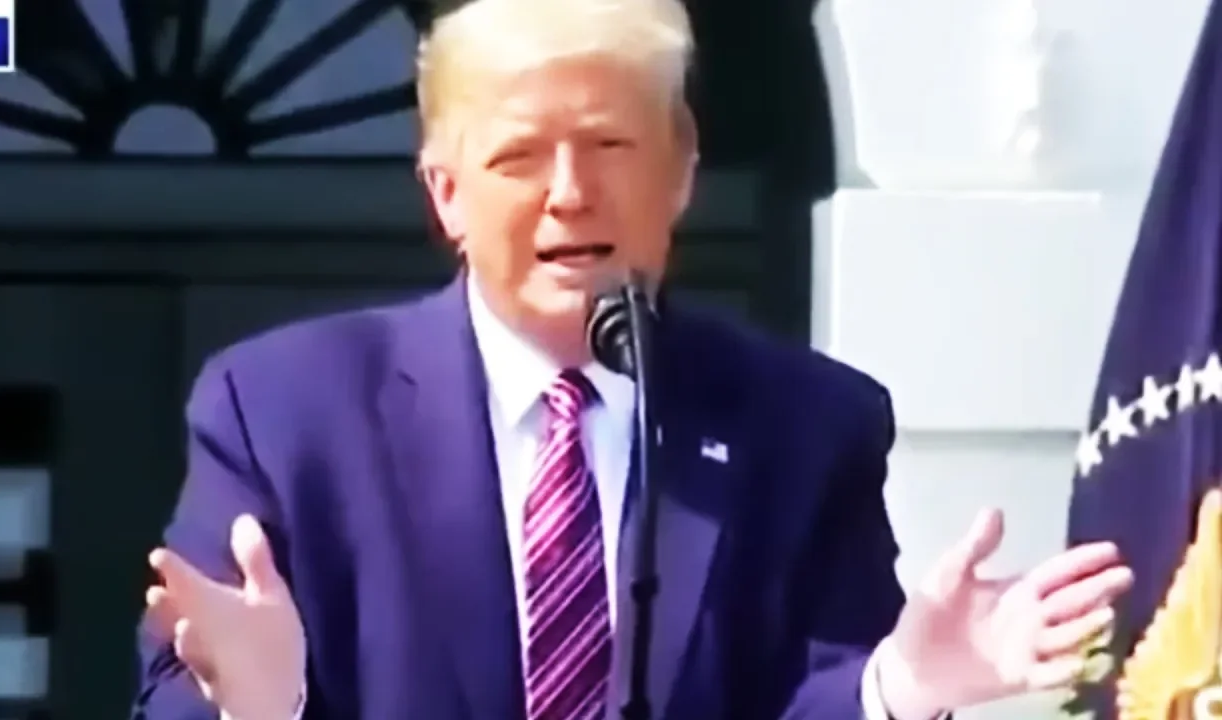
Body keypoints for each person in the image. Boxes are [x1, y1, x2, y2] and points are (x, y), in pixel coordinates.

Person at [132, 0, 1133, 717]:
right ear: (446, 194)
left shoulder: (805, 426)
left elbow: (814, 687)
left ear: (681, 171)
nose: (570, 193)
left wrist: (897, 687)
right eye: (519, 157)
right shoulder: (285, 412)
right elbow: (179, 691)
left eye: (609, 147)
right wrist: (265, 708)